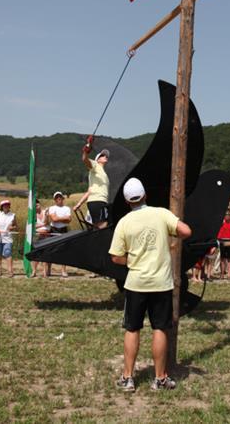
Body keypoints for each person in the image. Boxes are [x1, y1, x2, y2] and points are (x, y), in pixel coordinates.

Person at [109, 177, 191, 392]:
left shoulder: (124, 222)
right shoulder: (161, 213)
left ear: (128, 201)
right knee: (160, 329)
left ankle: (128, 378)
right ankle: (160, 378)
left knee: (132, 329)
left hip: (136, 283)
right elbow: (186, 231)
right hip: (161, 283)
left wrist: (133, 260)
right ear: (145, 195)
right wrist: (170, 239)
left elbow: (116, 257)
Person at [82, 140, 110, 229]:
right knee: (103, 226)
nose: (105, 156)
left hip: (99, 201)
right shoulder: (95, 165)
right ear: (97, 159)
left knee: (97, 227)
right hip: (97, 200)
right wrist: (86, 149)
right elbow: (84, 159)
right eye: (102, 155)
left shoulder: (104, 173)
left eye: (106, 155)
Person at [0, 200, 18, 277]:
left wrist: (12, 227)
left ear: (9, 206)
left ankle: (10, 271)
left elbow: (16, 226)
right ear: (2, 206)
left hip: (7, 237)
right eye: (4, 205)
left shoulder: (13, 215)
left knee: (7, 253)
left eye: (7, 205)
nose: (6, 206)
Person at [47, 191, 72, 277]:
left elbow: (69, 220)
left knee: (63, 250)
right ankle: (48, 270)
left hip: (63, 229)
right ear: (54, 199)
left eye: (60, 197)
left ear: (62, 198)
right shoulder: (52, 208)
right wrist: (63, 218)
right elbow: (54, 219)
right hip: (53, 229)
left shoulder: (67, 208)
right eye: (57, 198)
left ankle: (63, 271)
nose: (59, 199)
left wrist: (59, 218)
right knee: (51, 249)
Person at [217, 207, 230, 279]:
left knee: (229, 259)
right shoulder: (222, 221)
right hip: (222, 240)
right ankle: (222, 274)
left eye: (228, 214)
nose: (227, 215)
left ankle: (229, 274)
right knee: (222, 258)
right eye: (226, 214)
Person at [32, 199, 50, 277]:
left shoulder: (45, 212)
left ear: (40, 204)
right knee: (35, 254)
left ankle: (45, 272)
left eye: (37, 205)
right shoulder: (32, 215)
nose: (36, 206)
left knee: (44, 254)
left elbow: (47, 222)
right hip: (36, 235)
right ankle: (34, 272)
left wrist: (46, 215)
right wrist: (43, 225)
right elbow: (33, 225)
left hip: (45, 235)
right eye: (35, 205)